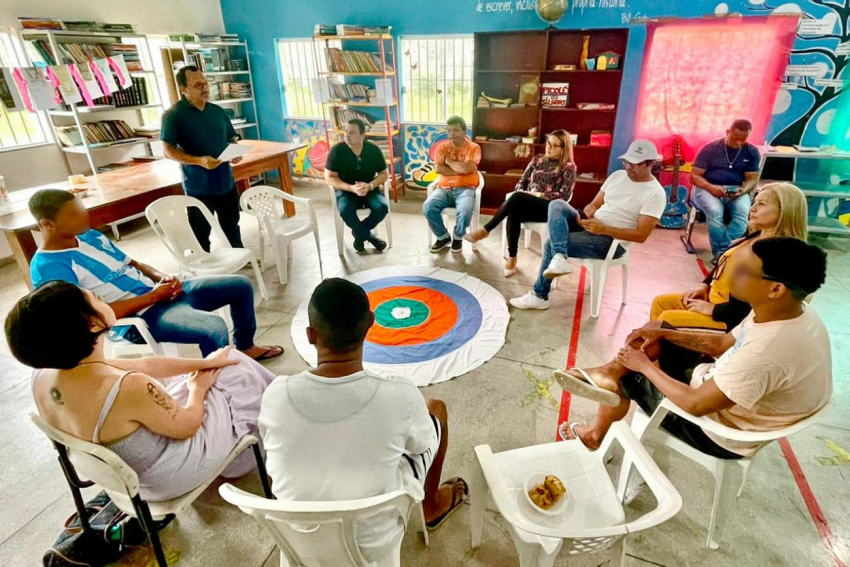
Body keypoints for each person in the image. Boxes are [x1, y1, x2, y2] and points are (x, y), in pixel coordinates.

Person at [556, 237, 831, 460]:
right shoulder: (786, 313)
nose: (732, 275)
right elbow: (723, 344)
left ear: (776, 289)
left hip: (718, 433)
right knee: (656, 333)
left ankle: (595, 431)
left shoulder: (769, 352)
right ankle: (608, 372)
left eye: (745, 271)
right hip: (721, 386)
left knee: (631, 377)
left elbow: (695, 404)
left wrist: (643, 366)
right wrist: (663, 333)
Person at [6, 281, 276, 501]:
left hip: (131, 479)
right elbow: (187, 426)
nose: (105, 302)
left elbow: (146, 364)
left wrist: (206, 363)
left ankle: (272, 412)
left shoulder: (47, 373)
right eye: (98, 298)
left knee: (216, 365)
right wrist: (198, 387)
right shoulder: (125, 386)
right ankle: (276, 422)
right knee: (235, 367)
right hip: (168, 477)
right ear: (91, 324)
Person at [260, 278, 467, 562]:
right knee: (436, 409)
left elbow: (275, 470)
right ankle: (431, 505)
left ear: (311, 335)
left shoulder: (276, 395)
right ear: (371, 323)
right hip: (374, 544)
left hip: (301, 545)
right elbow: (420, 447)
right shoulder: (400, 394)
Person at [28, 189, 282, 361]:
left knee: (240, 285)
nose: (85, 215)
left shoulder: (90, 236)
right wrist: (153, 297)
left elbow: (135, 263)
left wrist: (163, 278)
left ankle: (246, 347)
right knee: (213, 327)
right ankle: (217, 387)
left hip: (158, 295)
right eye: (73, 214)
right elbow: (90, 318)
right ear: (47, 224)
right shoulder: (49, 268)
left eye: (81, 208)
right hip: (138, 317)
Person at [510, 139, 666, 310]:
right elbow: (593, 205)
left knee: (550, 244)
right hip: (592, 226)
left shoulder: (655, 194)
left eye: (634, 164)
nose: (628, 167)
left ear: (650, 164)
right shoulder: (617, 176)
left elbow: (641, 235)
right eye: (626, 162)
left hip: (610, 240)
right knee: (557, 204)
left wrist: (604, 229)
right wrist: (585, 215)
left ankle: (540, 295)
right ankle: (560, 257)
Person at [651, 182, 808, 331]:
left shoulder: (782, 254)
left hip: (731, 319)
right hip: (715, 299)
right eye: (755, 202)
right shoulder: (756, 235)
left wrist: (714, 310)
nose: (752, 208)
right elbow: (725, 261)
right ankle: (650, 356)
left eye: (762, 204)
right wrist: (705, 285)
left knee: (668, 319)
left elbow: (752, 305)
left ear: (785, 210)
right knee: (661, 303)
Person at [464, 130, 577, 276]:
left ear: (564, 149)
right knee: (514, 209)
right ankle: (512, 256)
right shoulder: (537, 160)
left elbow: (564, 195)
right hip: (526, 201)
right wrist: (523, 192)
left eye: (555, 145)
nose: (549, 147)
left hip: (549, 208)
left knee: (517, 198)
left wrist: (537, 194)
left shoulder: (568, 167)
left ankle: (486, 230)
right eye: (549, 143)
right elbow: (521, 182)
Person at [161, 65, 244, 251]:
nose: (205, 88)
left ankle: (238, 253)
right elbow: (167, 150)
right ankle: (204, 262)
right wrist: (199, 160)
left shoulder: (217, 111)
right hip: (198, 185)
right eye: (198, 85)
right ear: (183, 89)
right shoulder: (173, 115)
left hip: (225, 181)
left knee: (231, 223)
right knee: (200, 230)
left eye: (206, 83)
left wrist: (235, 150)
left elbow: (231, 137)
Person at [691, 119, 762, 260]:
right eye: (735, 138)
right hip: (707, 186)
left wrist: (743, 190)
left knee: (743, 216)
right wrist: (711, 188)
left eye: (743, 139)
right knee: (715, 212)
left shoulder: (752, 152)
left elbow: (752, 179)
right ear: (727, 132)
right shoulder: (710, 148)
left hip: (736, 189)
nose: (738, 143)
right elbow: (694, 176)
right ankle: (720, 253)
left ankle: (724, 248)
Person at [324, 118, 389, 252]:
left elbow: (384, 174)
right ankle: (369, 237)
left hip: (369, 188)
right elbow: (329, 178)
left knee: (382, 207)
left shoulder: (373, 150)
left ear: (362, 136)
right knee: (346, 210)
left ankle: (359, 235)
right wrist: (351, 188)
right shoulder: (337, 151)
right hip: (346, 190)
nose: (347, 135)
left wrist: (370, 185)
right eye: (346, 131)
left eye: (352, 132)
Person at [423, 116, 482, 253]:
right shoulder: (442, 147)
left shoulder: (473, 148)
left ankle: (457, 237)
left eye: (455, 130)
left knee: (465, 211)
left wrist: (448, 162)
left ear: (464, 131)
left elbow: (468, 168)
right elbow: (438, 169)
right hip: (443, 189)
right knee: (428, 207)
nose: (451, 134)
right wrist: (460, 168)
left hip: (466, 189)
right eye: (449, 130)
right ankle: (443, 237)